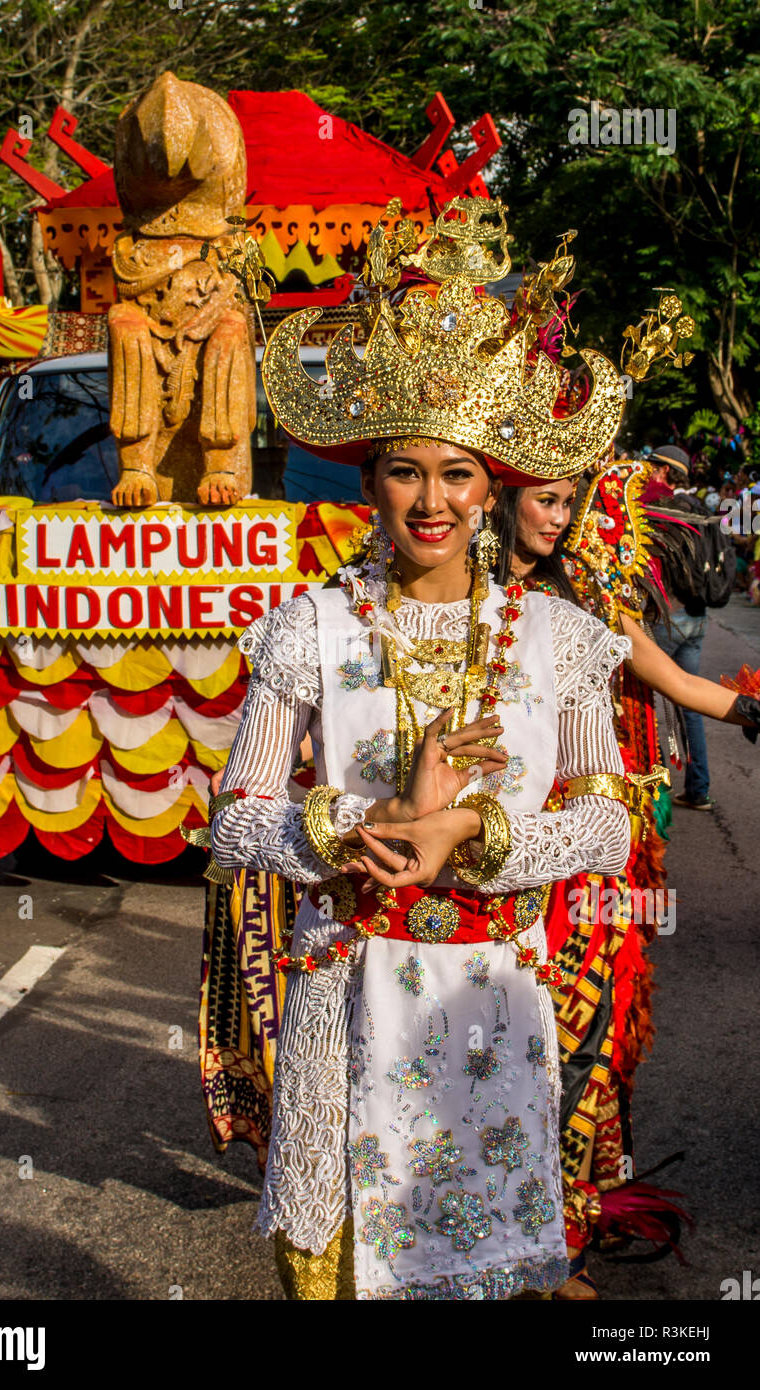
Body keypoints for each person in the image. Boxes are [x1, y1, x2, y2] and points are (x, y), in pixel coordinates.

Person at [208, 199, 636, 1300]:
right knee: (333, 1263)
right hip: (339, 989)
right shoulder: (309, 626)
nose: (431, 500)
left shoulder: (560, 640)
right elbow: (236, 814)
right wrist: (372, 827)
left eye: (455, 473)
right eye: (405, 471)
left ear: (489, 485)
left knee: (481, 1264)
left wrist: (468, 831)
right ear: (368, 487)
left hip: (489, 997)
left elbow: (605, 821)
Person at [492, 469, 760, 1296]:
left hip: (590, 861)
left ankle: (558, 1239)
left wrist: (753, 709)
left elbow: (677, 683)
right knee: (489, 1047)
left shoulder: (585, 600)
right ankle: (482, 1235)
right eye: (544, 497)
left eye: (570, 501)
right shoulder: (448, 603)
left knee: (583, 1044)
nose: (560, 517)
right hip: (489, 861)